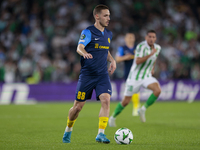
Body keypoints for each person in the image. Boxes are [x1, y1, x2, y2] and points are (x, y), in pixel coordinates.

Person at [62, 4, 116, 144]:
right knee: (77, 108)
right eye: (105, 15)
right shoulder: (88, 32)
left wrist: (112, 60)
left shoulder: (109, 34)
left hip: (102, 75)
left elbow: (105, 50)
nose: (108, 18)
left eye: (109, 15)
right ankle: (68, 129)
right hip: (87, 76)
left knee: (106, 100)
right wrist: (85, 53)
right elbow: (79, 47)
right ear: (97, 16)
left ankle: (101, 134)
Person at [109, 30, 161, 126]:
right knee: (126, 101)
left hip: (146, 76)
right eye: (149, 36)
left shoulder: (157, 48)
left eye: (153, 37)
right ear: (146, 38)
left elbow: (155, 57)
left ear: (156, 38)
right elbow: (137, 61)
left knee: (157, 90)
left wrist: (152, 67)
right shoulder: (140, 47)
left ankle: (142, 109)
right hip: (134, 77)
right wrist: (150, 54)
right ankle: (112, 117)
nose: (151, 39)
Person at [114, 33, 140, 117]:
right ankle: (125, 107)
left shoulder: (138, 48)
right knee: (129, 91)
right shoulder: (122, 48)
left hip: (137, 72)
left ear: (134, 39)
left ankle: (136, 108)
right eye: (128, 37)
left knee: (135, 89)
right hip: (127, 73)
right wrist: (126, 57)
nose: (130, 39)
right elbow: (117, 59)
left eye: (132, 37)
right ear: (125, 39)